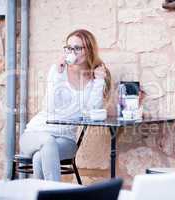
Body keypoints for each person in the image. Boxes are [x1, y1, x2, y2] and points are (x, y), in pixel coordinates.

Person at [19, 29, 111, 181]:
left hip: (66, 140)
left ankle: (43, 195)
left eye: (77, 48)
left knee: (39, 157)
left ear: (88, 50)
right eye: (69, 48)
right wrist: (58, 76)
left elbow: (91, 112)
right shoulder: (57, 72)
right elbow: (49, 107)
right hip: (35, 134)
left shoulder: (95, 77)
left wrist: (99, 81)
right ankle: (55, 194)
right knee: (46, 143)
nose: (71, 52)